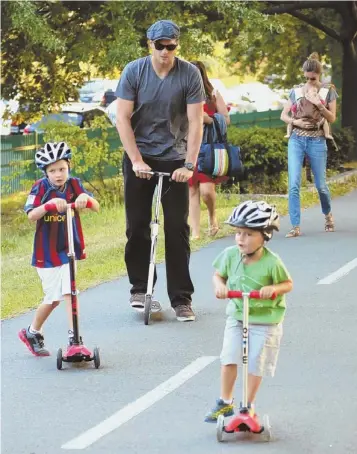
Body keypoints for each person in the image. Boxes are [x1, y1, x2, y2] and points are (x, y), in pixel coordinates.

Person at [115, 20, 205, 322]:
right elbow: (122, 119)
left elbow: (195, 122)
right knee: (138, 225)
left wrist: (189, 164)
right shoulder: (134, 72)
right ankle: (140, 289)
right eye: (160, 45)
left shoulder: (189, 74)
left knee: (177, 229)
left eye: (171, 46)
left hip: (175, 159)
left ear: (177, 45)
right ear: (149, 44)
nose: (166, 51)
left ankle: (181, 298)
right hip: (139, 155)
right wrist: (137, 160)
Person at [204, 200, 293, 422]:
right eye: (238, 233)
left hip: (266, 320)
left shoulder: (272, 262)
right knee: (229, 356)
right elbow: (218, 275)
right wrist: (220, 286)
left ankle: (248, 405)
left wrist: (273, 288)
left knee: (256, 361)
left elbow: (288, 284)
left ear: (265, 235)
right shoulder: (230, 255)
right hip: (237, 315)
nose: (241, 239)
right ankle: (225, 402)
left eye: (248, 234)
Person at [18, 142, 99, 356]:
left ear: (69, 166)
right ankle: (32, 331)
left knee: (70, 292)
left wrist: (85, 198)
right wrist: (48, 205)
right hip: (47, 253)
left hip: (68, 249)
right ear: (46, 173)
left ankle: (75, 339)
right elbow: (30, 215)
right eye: (52, 171)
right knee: (53, 299)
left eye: (62, 169)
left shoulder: (74, 185)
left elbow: (96, 205)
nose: (58, 174)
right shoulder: (40, 187)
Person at [281, 52, 338, 238]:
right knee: (294, 183)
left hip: (317, 139)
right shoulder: (296, 91)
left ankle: (328, 215)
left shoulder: (328, 91)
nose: (309, 82)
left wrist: (319, 105)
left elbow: (332, 118)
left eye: (312, 78)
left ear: (318, 75)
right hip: (297, 139)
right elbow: (284, 115)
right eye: (306, 78)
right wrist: (295, 122)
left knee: (321, 185)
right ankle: (295, 226)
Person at [188, 61, 231, 240]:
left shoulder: (213, 94)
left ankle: (212, 216)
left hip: (208, 148)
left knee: (206, 190)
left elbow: (226, 119)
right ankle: (196, 232)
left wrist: (209, 119)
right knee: (192, 190)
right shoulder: (182, 94)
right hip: (188, 147)